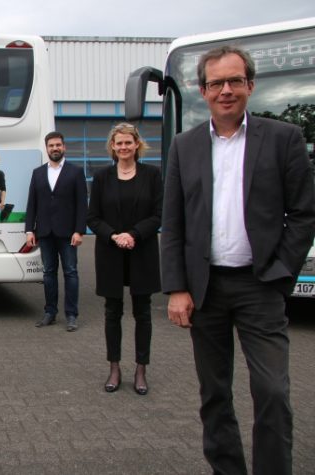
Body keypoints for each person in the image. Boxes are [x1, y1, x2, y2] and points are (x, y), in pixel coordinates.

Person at [162, 45, 315, 475]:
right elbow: (173, 223)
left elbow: (303, 213)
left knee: (271, 391)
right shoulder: (184, 146)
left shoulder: (284, 138)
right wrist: (176, 287)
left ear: (249, 85)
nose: (225, 90)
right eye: (216, 83)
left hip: (260, 285)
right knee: (214, 393)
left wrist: (281, 271)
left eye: (234, 81)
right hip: (204, 289)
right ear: (202, 90)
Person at [87, 123, 162, 395]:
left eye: (128, 143)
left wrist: (133, 235)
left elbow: (158, 214)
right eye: (118, 143)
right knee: (112, 313)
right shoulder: (102, 177)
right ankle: (114, 368)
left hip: (142, 251)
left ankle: (141, 369)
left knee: (143, 312)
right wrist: (114, 236)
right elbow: (92, 217)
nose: (123, 148)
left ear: (137, 144)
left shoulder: (153, 175)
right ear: (112, 146)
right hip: (111, 253)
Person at [25, 131, 88, 331]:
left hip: (68, 233)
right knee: (48, 273)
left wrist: (79, 231)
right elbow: (31, 204)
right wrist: (29, 230)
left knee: (70, 272)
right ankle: (50, 312)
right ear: (47, 148)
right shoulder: (38, 173)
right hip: (44, 232)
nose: (55, 148)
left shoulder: (75, 172)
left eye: (58, 145)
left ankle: (71, 315)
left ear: (64, 147)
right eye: (51, 145)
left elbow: (81, 205)